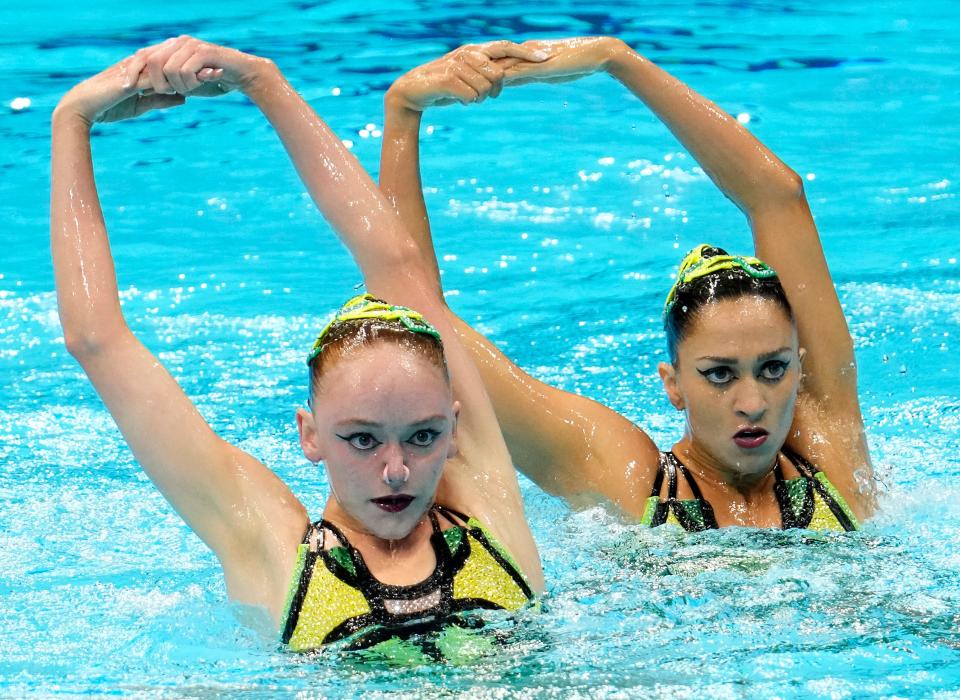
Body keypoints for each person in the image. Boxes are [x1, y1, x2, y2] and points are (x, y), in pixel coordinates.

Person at [51, 36, 543, 655]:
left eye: (422, 436)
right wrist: (71, 120)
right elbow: (96, 341)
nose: (396, 469)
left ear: (455, 429)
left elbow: (395, 262)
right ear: (309, 435)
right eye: (361, 439)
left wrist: (264, 80)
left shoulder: (486, 506)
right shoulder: (273, 550)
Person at [378, 37, 877, 531]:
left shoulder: (831, 459)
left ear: (800, 369)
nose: (753, 402)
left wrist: (618, 60)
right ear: (673, 383)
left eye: (773, 369)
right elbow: (415, 318)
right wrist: (403, 109)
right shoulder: (630, 480)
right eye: (719, 375)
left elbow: (778, 196)